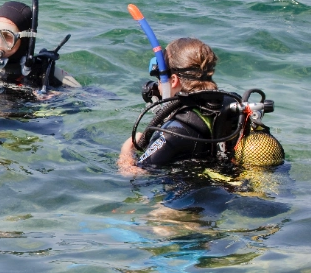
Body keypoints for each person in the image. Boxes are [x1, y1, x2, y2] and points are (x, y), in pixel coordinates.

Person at [117, 37, 287, 176]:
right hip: (228, 188)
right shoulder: (231, 103)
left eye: (161, 78)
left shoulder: (176, 130)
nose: (158, 85)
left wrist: (128, 148)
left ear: (174, 80)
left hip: (189, 202)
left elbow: (133, 173)